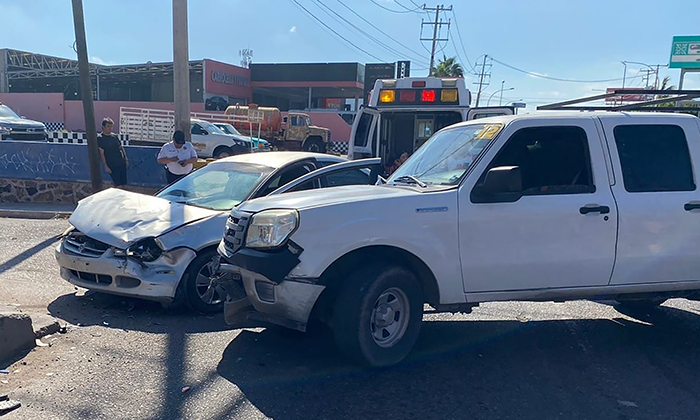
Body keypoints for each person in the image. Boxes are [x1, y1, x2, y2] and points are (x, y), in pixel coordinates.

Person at [97, 117, 129, 187]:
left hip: (121, 163)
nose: (110, 128)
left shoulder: (114, 136)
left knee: (123, 184)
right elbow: (102, 153)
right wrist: (106, 166)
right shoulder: (100, 138)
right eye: (108, 126)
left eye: (111, 127)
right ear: (103, 127)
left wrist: (126, 159)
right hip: (112, 165)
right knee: (117, 185)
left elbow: (121, 148)